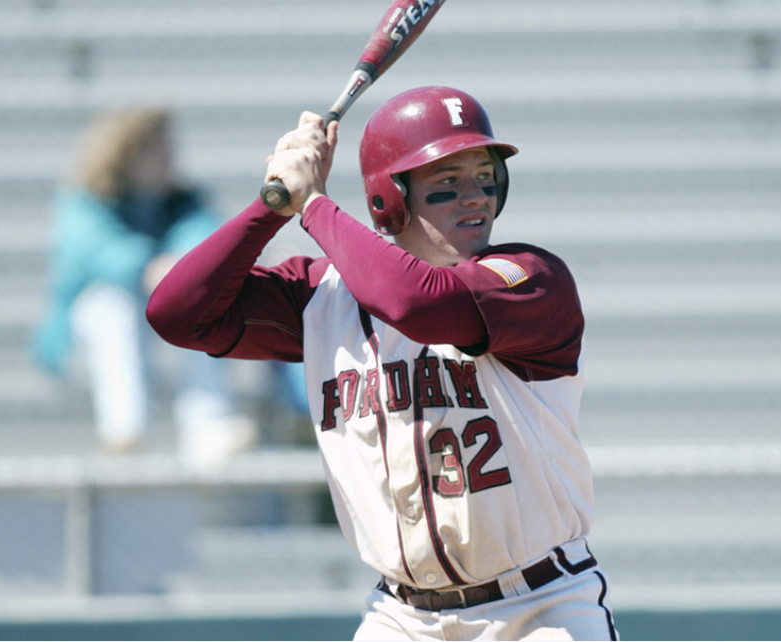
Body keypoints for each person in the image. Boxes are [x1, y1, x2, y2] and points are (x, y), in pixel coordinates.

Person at [147, 86, 618, 641]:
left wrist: (316, 205)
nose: (475, 198)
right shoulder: (319, 296)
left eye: (485, 177)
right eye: (446, 184)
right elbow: (176, 314)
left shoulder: (530, 279)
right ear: (387, 200)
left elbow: (419, 303)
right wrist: (272, 205)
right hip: (402, 616)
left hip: (539, 606)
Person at [33, 106, 257, 461]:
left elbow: (208, 243)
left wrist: (177, 270)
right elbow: (98, 251)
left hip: (159, 339)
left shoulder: (186, 202)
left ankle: (209, 427)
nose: (171, 156)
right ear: (127, 153)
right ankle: (125, 433)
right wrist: (150, 267)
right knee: (112, 302)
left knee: (190, 302)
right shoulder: (81, 202)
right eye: (159, 147)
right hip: (84, 346)